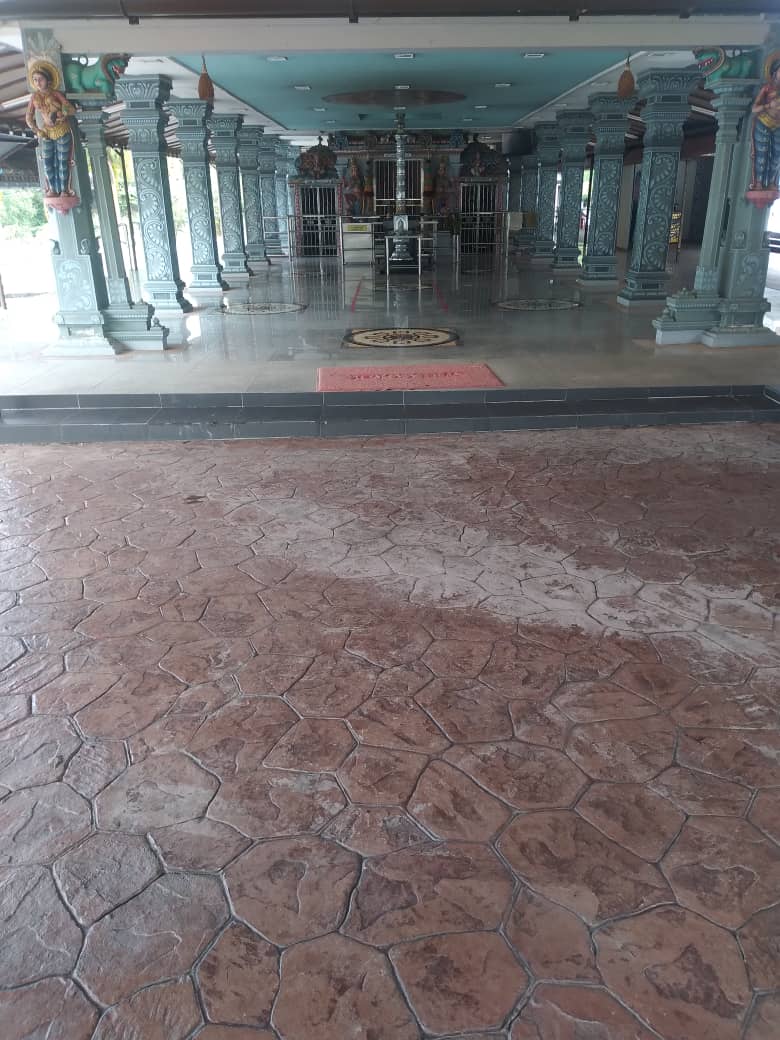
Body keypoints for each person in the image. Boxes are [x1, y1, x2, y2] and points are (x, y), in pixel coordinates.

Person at [25, 59, 76, 198]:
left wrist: (61, 113)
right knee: (47, 163)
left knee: (62, 162)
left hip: (61, 129)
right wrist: (36, 130)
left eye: (40, 79)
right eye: (35, 80)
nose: (38, 83)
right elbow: (28, 117)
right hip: (46, 131)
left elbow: (71, 109)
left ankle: (64, 190)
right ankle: (53, 189)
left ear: (48, 80)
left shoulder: (55, 94)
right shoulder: (34, 97)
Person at [751, 56, 780, 191]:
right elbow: (754, 109)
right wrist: (769, 105)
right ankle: (758, 183)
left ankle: (772, 182)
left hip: (778, 125)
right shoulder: (767, 88)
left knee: (777, 156)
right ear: (774, 72)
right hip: (764, 122)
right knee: (761, 154)